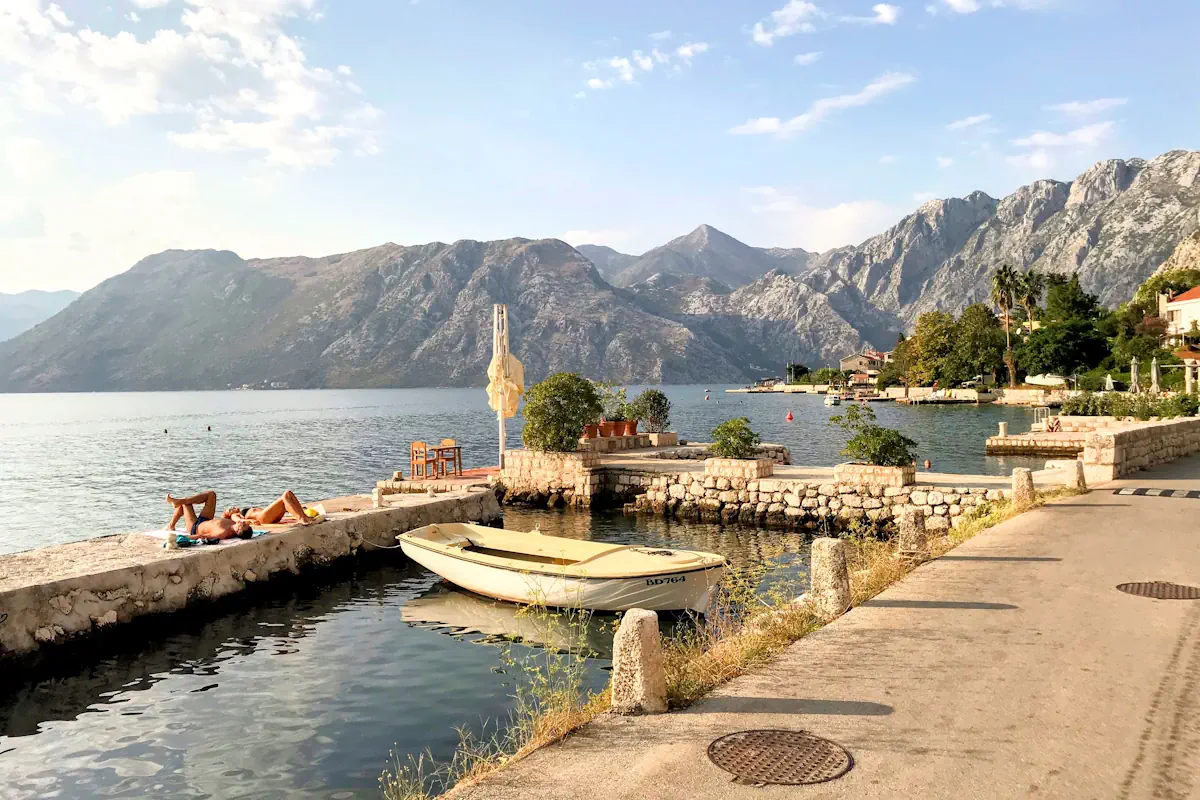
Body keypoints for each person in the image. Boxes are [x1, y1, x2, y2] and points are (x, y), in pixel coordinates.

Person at [166, 491, 254, 541]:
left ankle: (171, 524)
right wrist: (229, 512)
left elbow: (201, 536)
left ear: (238, 531)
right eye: (245, 523)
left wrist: (179, 538)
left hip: (195, 527)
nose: (242, 522)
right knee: (211, 495)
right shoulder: (234, 523)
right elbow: (224, 517)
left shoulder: (222, 533)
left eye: (243, 525)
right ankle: (178, 505)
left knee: (186, 505)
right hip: (206, 519)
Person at [223, 490, 315, 526]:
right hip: (262, 518)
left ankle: (303, 516)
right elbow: (239, 521)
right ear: (229, 515)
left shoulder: (239, 511)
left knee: (288, 496)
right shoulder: (234, 515)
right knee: (286, 494)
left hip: (267, 517)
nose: (233, 508)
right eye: (230, 510)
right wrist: (251, 521)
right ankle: (301, 518)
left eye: (231, 507)